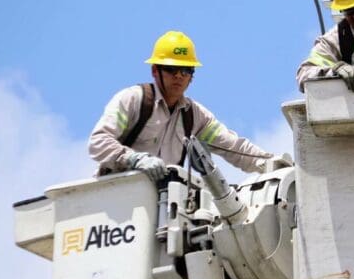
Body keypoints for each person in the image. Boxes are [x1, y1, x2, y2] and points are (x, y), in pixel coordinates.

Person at [89, 30, 287, 180]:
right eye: (171, 69)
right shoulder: (133, 100)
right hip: (118, 196)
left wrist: (271, 164)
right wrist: (134, 159)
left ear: (192, 76)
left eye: (185, 70)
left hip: (159, 206)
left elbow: (234, 147)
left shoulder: (194, 117)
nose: (178, 76)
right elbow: (99, 142)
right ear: (155, 71)